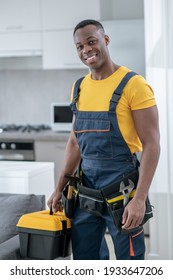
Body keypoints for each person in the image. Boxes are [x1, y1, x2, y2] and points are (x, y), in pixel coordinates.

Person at [48, 19, 160, 260]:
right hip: (85, 190)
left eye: (91, 42)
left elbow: (152, 145)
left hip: (123, 190)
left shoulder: (134, 85)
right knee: (86, 261)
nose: (86, 50)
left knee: (129, 264)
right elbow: (75, 142)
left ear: (105, 40)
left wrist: (139, 200)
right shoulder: (79, 87)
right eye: (80, 46)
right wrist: (59, 188)